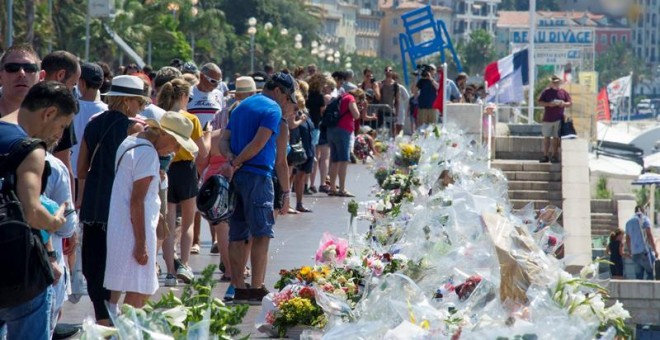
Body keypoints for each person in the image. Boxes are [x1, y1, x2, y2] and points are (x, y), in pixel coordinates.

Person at [0, 81, 77, 340]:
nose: (60, 135)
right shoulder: (31, 150)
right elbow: (32, 212)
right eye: (62, 126)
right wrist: (55, 222)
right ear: (49, 113)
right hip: (19, 271)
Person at [104, 111, 197, 313]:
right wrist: (141, 244)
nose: (177, 149)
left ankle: (116, 325)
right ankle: (125, 334)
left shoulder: (132, 140)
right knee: (140, 290)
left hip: (122, 226)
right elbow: (137, 202)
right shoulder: (147, 154)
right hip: (135, 229)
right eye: (177, 143)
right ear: (164, 135)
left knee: (123, 290)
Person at [219, 72, 297, 304]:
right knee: (261, 233)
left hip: (237, 177)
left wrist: (231, 158)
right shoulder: (272, 110)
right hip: (258, 175)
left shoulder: (241, 106)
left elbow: (223, 139)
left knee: (237, 234)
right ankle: (256, 287)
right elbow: (259, 143)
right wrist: (285, 192)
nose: (286, 102)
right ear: (279, 91)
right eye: (287, 96)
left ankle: (238, 287)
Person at [76, 75, 148, 325]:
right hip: (117, 206)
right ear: (128, 101)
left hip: (93, 203)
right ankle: (115, 323)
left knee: (94, 266)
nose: (140, 107)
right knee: (117, 266)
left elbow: (82, 169)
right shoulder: (134, 129)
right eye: (139, 102)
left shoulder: (93, 125)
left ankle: (101, 320)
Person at [201, 76, 257, 301]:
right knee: (245, 229)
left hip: (215, 177)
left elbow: (203, 156)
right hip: (237, 173)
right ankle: (241, 268)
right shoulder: (251, 118)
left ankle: (228, 267)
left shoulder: (217, 119)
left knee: (223, 227)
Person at [158, 78, 209, 284]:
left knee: (168, 223)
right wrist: (208, 134)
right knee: (188, 221)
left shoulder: (162, 117)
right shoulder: (191, 120)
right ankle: (185, 265)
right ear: (182, 96)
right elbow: (203, 152)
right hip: (186, 170)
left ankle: (170, 270)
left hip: (166, 168)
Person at [327, 88, 368, 197]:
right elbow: (356, 115)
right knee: (344, 160)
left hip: (332, 130)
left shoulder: (341, 97)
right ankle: (342, 189)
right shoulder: (350, 98)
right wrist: (358, 109)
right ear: (358, 96)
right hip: (343, 131)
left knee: (335, 160)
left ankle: (332, 188)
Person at [289, 92, 315, 213]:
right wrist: (300, 120)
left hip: (306, 149)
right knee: (292, 176)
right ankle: (287, 203)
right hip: (296, 150)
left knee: (301, 177)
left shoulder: (304, 113)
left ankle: (299, 203)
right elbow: (291, 125)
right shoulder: (293, 113)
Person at [0, 44, 42, 117]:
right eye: (12, 68)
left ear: (41, 76)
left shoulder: (50, 118)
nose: (22, 73)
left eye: (29, 68)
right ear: (0, 76)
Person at [538, 75, 571, 163]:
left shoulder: (563, 92)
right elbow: (539, 102)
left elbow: (570, 103)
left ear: (559, 82)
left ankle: (554, 156)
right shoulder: (546, 92)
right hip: (547, 118)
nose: (555, 83)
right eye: (553, 82)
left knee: (556, 138)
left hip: (558, 118)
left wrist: (563, 104)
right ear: (551, 82)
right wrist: (549, 104)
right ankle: (545, 155)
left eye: (556, 82)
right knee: (546, 138)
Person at [187, 63, 226, 127]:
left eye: (219, 82)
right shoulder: (188, 93)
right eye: (213, 81)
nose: (216, 85)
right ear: (202, 77)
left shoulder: (219, 94)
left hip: (213, 136)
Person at [625, 206, 657, 280]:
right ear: (643, 211)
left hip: (635, 253)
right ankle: (649, 291)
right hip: (644, 252)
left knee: (638, 277)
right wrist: (655, 250)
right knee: (650, 273)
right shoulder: (644, 219)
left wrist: (630, 251)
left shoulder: (628, 222)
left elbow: (627, 238)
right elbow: (649, 235)